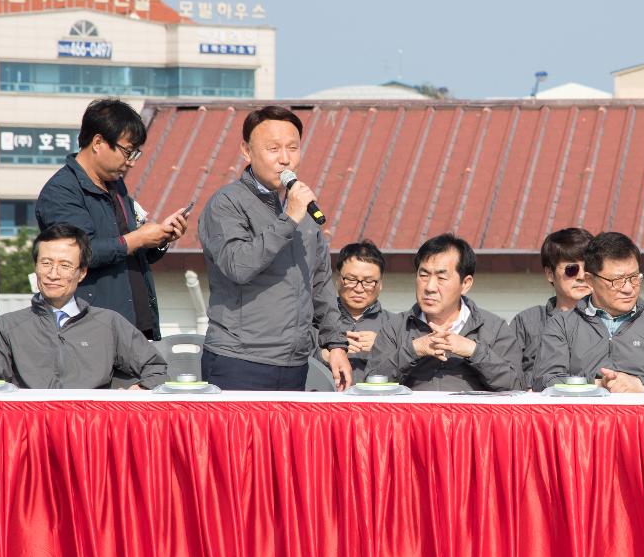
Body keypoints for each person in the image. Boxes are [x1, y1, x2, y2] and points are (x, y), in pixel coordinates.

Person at [199, 106, 353, 390]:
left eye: (292, 148)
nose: (285, 159)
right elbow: (238, 265)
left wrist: (336, 344)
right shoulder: (227, 203)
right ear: (246, 151)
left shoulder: (303, 209)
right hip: (239, 359)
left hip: (295, 361)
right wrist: (289, 219)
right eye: (273, 149)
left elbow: (319, 283)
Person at [36, 99, 189, 340]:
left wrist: (160, 238)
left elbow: (132, 250)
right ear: (98, 142)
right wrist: (137, 238)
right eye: (127, 151)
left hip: (135, 325)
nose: (131, 161)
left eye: (135, 153)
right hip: (91, 331)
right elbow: (79, 254)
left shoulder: (116, 186)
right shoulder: (61, 192)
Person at [0, 224, 169, 389]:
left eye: (65, 265)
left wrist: (139, 390)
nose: (53, 274)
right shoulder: (6, 327)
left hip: (91, 427)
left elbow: (157, 369)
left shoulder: (109, 323)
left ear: (82, 272)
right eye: (46, 263)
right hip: (32, 427)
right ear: (35, 267)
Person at [533, 232, 644, 394]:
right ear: (590, 280)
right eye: (616, 281)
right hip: (586, 418)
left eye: (634, 278)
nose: (628, 289)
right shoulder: (561, 325)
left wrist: (641, 385)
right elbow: (545, 380)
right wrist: (596, 385)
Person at [365, 233, 522, 391]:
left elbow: (515, 386)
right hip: (413, 415)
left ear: (465, 284)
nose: (430, 287)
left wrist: (474, 351)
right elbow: (371, 384)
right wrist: (414, 350)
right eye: (424, 275)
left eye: (441, 278)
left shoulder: (495, 329)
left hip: (469, 415)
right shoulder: (396, 327)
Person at [509, 227, 593, 387]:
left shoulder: (612, 320)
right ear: (549, 274)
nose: (582, 276)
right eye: (571, 269)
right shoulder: (526, 323)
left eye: (588, 268)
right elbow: (507, 374)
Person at [330, 240, 389, 380]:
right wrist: (326, 354)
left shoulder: (396, 326)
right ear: (338, 279)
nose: (358, 288)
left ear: (380, 284)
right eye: (351, 279)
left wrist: (384, 347)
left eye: (368, 282)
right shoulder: (316, 320)